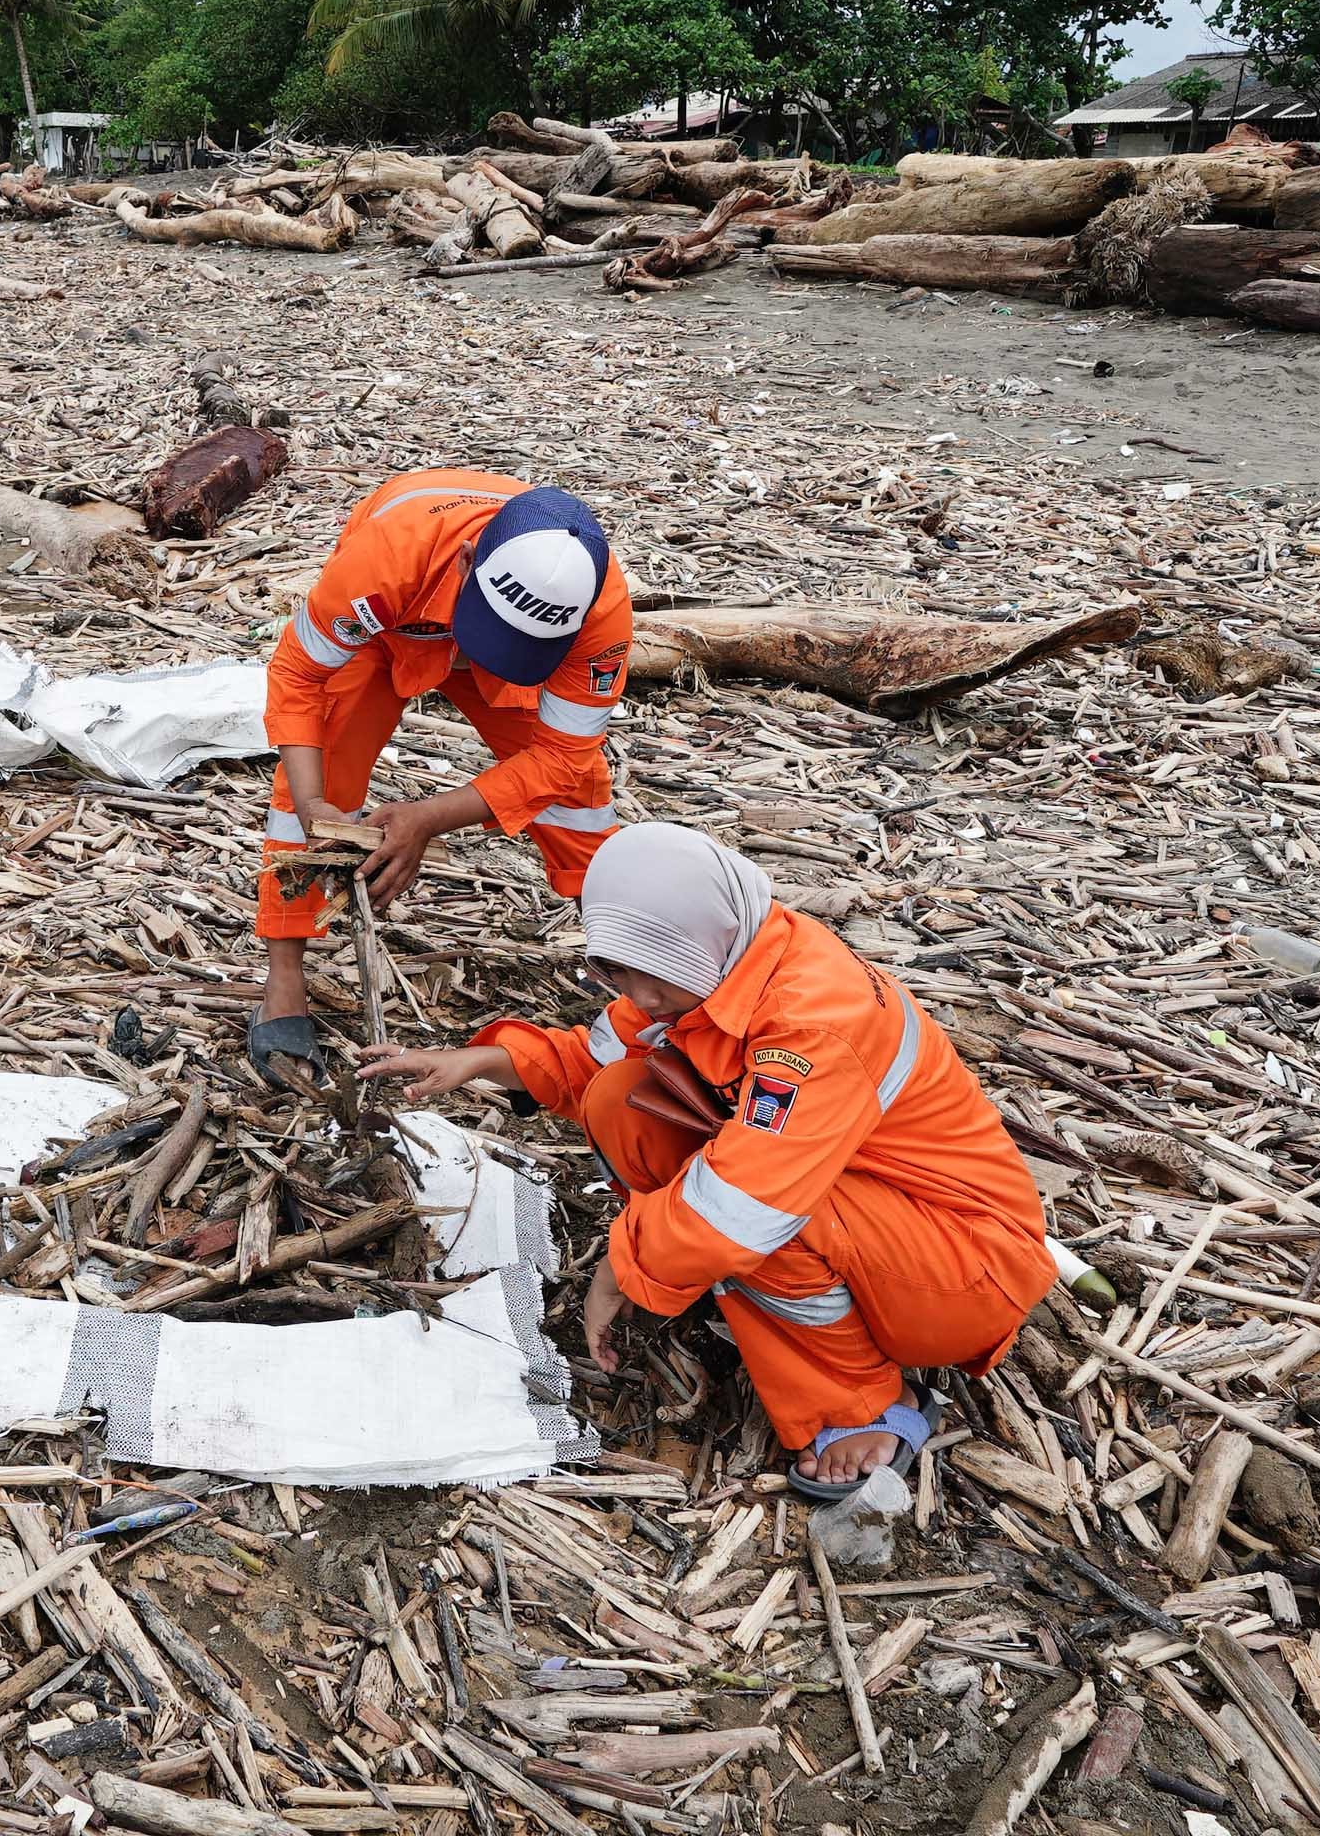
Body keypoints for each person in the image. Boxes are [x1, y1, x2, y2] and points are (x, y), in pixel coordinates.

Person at [357, 822, 1055, 1497]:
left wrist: (620, 1266)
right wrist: (478, 1060)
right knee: (624, 1100)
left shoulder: (812, 1023)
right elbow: (597, 1060)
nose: (643, 996)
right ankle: (719, 1287)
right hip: (876, 1215)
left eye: (658, 973)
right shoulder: (720, 961)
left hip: (965, 1273)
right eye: (621, 970)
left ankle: (863, 1401)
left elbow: (744, 1209)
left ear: (706, 937)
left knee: (762, 1223)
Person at [252, 470, 629, 1078]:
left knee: (581, 795)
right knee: (324, 761)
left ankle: (629, 955)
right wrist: (312, 803)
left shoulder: (598, 609)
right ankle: (284, 975)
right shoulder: (386, 559)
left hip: (516, 650)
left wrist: (427, 819)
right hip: (394, 626)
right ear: (465, 561)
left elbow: (563, 757)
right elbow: (298, 676)